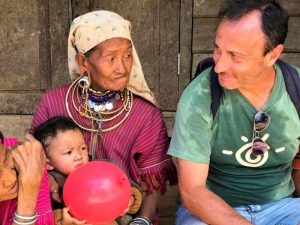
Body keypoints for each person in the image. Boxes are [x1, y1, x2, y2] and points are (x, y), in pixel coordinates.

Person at [30, 10, 177, 225]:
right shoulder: (53, 102)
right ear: (83, 61)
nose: (123, 67)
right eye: (111, 58)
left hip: (124, 216)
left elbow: (151, 186)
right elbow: (31, 158)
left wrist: (142, 220)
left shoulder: (146, 113)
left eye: (127, 55)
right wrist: (48, 180)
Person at [168, 0, 300, 225]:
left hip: (283, 208)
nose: (218, 66)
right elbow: (193, 192)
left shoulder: (296, 88)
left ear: (272, 55)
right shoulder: (200, 97)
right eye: (218, 49)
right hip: (211, 212)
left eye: (235, 56)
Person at [33, 116, 143, 225]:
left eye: (83, 148)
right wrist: (61, 220)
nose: (79, 156)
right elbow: (43, 217)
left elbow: (128, 186)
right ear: (48, 163)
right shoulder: (48, 186)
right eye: (68, 152)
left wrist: (130, 199)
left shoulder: (101, 168)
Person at [0, 131, 55, 225]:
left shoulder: (22, 156)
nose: (11, 179)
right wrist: (28, 199)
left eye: (6, 158)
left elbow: (45, 220)